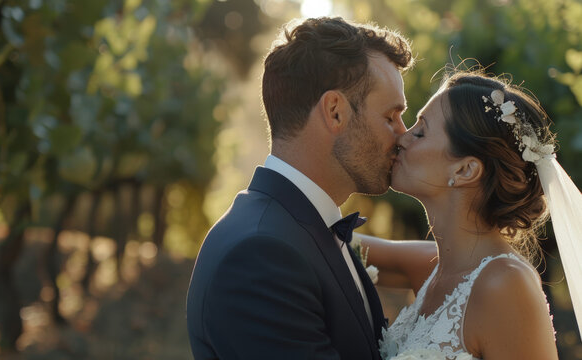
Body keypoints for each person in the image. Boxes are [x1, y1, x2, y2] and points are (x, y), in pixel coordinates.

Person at [186, 17, 414, 359]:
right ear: (335, 112)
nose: (404, 134)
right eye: (390, 116)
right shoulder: (260, 256)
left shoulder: (302, 228)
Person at [355, 71, 582, 359]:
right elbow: (328, 242)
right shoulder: (430, 267)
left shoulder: (506, 285)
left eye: (421, 131)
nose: (402, 136)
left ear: (465, 170)